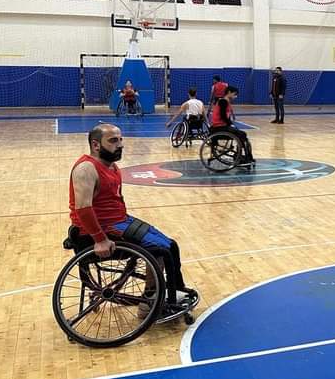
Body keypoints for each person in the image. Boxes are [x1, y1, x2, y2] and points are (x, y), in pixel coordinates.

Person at [68, 123, 193, 317]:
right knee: (158, 251)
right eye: (113, 141)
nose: (120, 144)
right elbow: (83, 209)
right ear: (96, 145)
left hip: (118, 221)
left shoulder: (112, 166)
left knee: (171, 245)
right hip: (94, 232)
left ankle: (174, 290)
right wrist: (100, 239)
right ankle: (150, 302)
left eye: (120, 139)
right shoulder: (86, 168)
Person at [210, 85, 255, 167]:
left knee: (241, 135)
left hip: (219, 126)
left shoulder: (225, 101)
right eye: (234, 94)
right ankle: (241, 156)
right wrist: (230, 124)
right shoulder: (223, 101)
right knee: (242, 134)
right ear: (229, 92)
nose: (235, 96)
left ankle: (241, 155)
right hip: (219, 127)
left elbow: (226, 116)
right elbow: (223, 116)